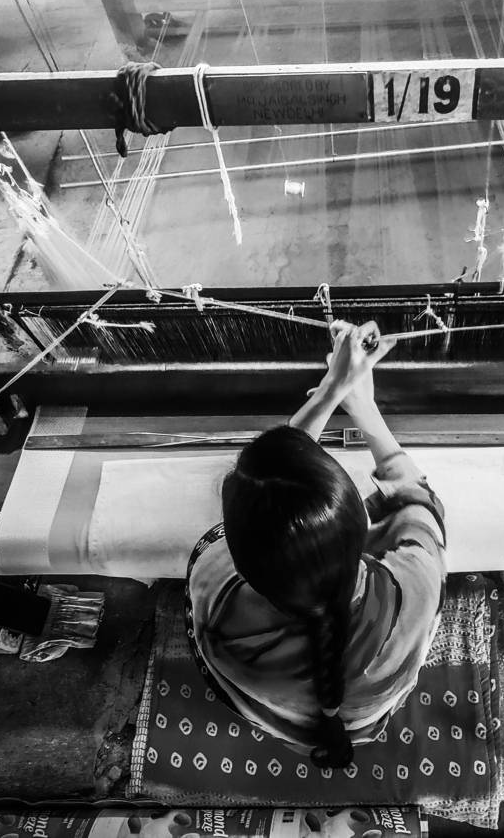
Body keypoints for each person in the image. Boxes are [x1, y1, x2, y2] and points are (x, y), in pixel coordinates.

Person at [185, 321, 447, 769]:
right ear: (364, 529)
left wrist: (330, 391)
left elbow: (270, 516)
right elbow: (420, 506)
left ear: (242, 562)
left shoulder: (215, 594)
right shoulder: (413, 594)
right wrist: (362, 405)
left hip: (274, 714)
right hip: (367, 716)